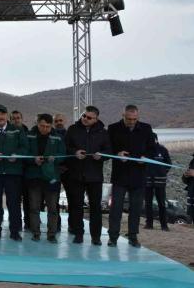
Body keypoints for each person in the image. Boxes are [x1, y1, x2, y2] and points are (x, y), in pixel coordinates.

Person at [107, 105, 157, 248]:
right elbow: (107, 148)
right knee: (115, 208)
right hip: (120, 175)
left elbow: (153, 149)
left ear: (138, 117)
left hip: (138, 175)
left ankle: (133, 236)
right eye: (129, 119)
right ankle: (113, 237)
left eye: (135, 119)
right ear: (123, 115)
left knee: (135, 209)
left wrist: (145, 157)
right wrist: (117, 154)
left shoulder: (146, 128)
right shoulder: (113, 128)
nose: (132, 122)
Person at [64, 105, 111, 245]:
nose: (85, 119)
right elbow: (64, 147)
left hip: (94, 176)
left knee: (95, 207)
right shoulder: (72, 129)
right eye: (84, 115)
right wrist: (74, 153)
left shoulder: (103, 132)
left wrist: (101, 156)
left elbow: (109, 151)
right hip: (76, 174)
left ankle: (96, 237)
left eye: (89, 117)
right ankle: (78, 234)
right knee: (76, 206)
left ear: (96, 119)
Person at [0, 105, 28, 241]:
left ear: (7, 116)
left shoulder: (17, 130)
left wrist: (17, 155)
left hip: (13, 172)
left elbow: (25, 148)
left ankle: (15, 231)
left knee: (14, 203)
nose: (0, 116)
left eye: (3, 114)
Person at [25, 114, 65, 243]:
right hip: (34, 176)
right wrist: (33, 159)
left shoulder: (57, 137)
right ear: (37, 123)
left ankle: (52, 234)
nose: (45, 129)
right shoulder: (29, 136)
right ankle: (35, 233)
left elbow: (63, 155)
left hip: (51, 177)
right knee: (34, 207)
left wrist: (55, 158)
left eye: (48, 126)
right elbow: (24, 152)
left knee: (52, 208)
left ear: (51, 125)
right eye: (42, 126)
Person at [144, 133, 172, 231]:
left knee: (161, 203)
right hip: (147, 181)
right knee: (148, 203)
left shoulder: (163, 150)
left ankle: (164, 225)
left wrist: (162, 172)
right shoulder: (145, 150)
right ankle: (149, 224)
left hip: (160, 181)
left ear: (156, 139)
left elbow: (169, 163)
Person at [183, 154, 194, 224]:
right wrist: (185, 176)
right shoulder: (192, 161)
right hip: (191, 194)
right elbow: (185, 181)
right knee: (189, 217)